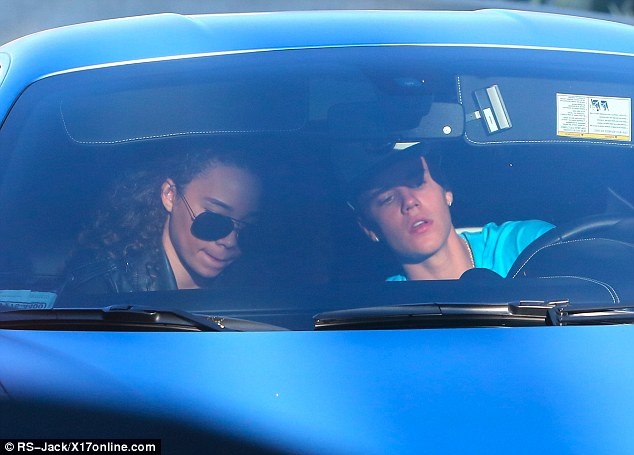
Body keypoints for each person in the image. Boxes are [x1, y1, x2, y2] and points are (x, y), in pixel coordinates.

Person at [337, 142, 554, 281]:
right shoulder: (379, 309)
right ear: (369, 228)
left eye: (417, 182)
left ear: (446, 191)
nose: (409, 202)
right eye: (387, 199)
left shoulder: (530, 246)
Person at [65, 147, 262, 293]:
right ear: (170, 195)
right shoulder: (106, 285)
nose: (230, 241)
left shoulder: (256, 291)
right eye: (215, 218)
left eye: (246, 228)